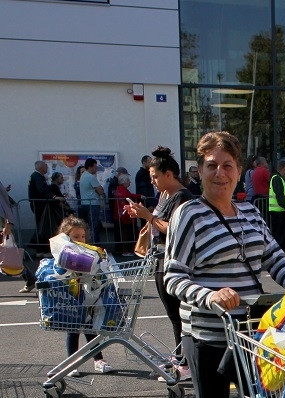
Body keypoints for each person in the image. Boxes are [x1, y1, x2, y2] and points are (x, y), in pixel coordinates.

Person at [164, 131, 285, 398]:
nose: (219, 173)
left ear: (239, 171)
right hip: (208, 338)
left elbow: (276, 260)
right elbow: (173, 277)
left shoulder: (252, 214)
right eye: (211, 166)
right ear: (199, 170)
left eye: (227, 165)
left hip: (253, 334)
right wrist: (208, 295)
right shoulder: (187, 215)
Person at [126, 146, 195, 381]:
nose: (153, 181)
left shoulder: (182, 197)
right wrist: (141, 214)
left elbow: (173, 229)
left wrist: (149, 217)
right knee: (174, 315)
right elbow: (157, 223)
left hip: (173, 261)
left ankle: (186, 365)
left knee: (180, 315)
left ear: (169, 174)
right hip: (159, 259)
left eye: (155, 176)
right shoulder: (165, 195)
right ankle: (181, 357)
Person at [56, 216, 113, 375]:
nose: (80, 239)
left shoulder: (88, 251)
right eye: (75, 237)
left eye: (82, 236)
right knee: (73, 329)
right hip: (70, 296)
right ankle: (72, 362)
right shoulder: (62, 253)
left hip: (87, 296)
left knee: (89, 327)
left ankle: (98, 359)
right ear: (66, 238)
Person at [0, 176, 36, 292]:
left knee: (8, 254)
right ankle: (29, 278)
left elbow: (3, 204)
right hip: (3, 223)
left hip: (2, 224)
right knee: (8, 254)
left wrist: (8, 224)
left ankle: (29, 278)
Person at [268, 158, 285, 260]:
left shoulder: (277, 178)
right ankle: (278, 256)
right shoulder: (277, 179)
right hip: (278, 211)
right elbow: (280, 196)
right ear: (284, 168)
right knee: (281, 235)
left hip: (279, 211)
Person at [77, 158, 107, 243]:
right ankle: (95, 245)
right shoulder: (91, 177)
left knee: (88, 226)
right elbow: (100, 191)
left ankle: (89, 243)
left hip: (85, 203)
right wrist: (100, 189)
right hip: (92, 204)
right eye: (95, 166)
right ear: (90, 166)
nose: (96, 168)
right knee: (94, 226)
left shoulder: (83, 176)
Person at [113, 172, 143, 249]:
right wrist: (139, 196)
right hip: (125, 215)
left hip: (121, 214)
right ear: (124, 182)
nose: (130, 182)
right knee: (127, 233)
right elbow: (128, 196)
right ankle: (128, 249)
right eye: (128, 180)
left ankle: (127, 249)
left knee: (126, 232)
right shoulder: (122, 190)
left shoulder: (119, 189)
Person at [28, 160, 50, 245]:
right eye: (45, 166)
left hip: (39, 204)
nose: (47, 167)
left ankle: (40, 247)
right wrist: (52, 196)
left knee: (42, 226)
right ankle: (39, 247)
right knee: (41, 226)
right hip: (39, 204)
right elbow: (42, 190)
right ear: (41, 167)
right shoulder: (36, 176)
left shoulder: (38, 176)